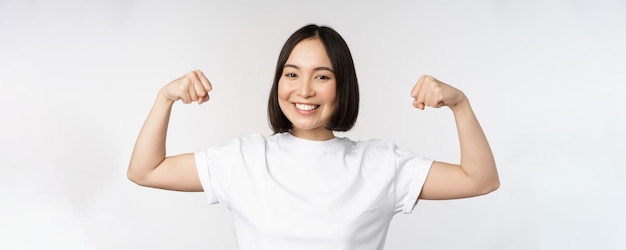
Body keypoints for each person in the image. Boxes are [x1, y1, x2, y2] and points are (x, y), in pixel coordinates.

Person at [127, 24, 499, 249]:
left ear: (343, 87)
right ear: (278, 82)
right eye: (292, 74)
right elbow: (146, 171)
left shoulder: (380, 165)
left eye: (321, 76)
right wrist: (165, 98)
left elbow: (480, 180)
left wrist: (460, 104)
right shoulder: (244, 159)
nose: (303, 90)